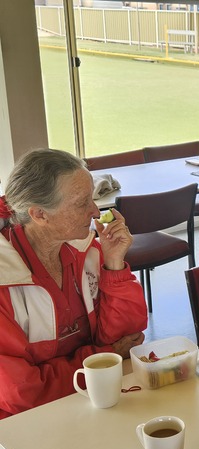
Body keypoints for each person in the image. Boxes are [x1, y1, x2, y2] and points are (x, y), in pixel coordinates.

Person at [0, 149, 147, 425]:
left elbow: (130, 337)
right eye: (81, 203)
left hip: (95, 401)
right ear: (39, 214)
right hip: (26, 428)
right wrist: (102, 357)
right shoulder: (4, 281)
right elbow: (22, 392)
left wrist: (114, 264)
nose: (95, 211)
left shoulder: (85, 250)